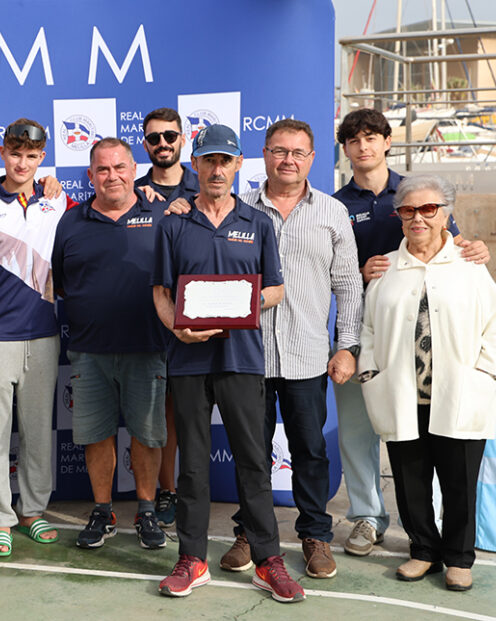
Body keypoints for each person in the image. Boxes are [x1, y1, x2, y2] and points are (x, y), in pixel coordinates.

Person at [152, 124, 304, 603]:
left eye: (225, 161)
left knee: (254, 462)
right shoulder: (173, 223)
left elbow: (276, 289)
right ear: (194, 164)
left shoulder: (257, 222)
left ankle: (268, 560)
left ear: (238, 164)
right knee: (193, 467)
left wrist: (240, 306)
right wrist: (177, 328)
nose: (217, 170)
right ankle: (192, 559)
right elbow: (161, 293)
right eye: (209, 160)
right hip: (188, 360)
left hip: (242, 360)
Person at [333, 108, 491, 556]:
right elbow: (322, 271)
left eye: (371, 137)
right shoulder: (334, 205)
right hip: (362, 331)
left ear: (387, 142)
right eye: (353, 140)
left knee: (419, 436)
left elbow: (453, 246)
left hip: (422, 336)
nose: (363, 146)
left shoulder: (418, 192)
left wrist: (475, 247)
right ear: (345, 150)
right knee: (357, 432)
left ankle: (422, 527)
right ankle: (367, 516)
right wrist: (357, 274)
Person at [220, 119, 362, 579]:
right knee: (251, 452)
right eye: (280, 151)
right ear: (264, 154)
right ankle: (250, 532)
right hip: (247, 355)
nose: (288, 160)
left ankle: (315, 535)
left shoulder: (332, 212)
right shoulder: (236, 208)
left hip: (307, 354)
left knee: (310, 451)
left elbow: (349, 285)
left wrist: (348, 345)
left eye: (298, 153)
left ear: (312, 159)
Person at [358, 173, 496, 591]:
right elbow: (368, 328)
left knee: (460, 482)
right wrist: (370, 374)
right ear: (398, 216)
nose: (418, 218)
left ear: (446, 215)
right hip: (403, 396)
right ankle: (423, 550)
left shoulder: (469, 265)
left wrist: (485, 374)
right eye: (408, 210)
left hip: (460, 394)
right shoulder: (386, 269)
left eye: (428, 209)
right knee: (410, 483)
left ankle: (459, 558)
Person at [51, 138, 168, 551]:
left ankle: (147, 510)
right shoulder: (71, 221)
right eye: (102, 169)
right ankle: (103, 511)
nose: (112, 176)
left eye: (120, 167)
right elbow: (61, 282)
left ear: (134, 170)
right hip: (89, 350)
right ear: (90, 175)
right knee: (96, 436)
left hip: (148, 347)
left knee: (147, 435)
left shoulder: (161, 214)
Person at [0, 118, 73, 557]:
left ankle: (32, 511)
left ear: (42, 157)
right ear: (2, 154)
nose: (22, 163)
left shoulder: (56, 200)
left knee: (37, 432)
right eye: (15, 154)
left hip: (45, 334)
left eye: (31, 156)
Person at [134, 107, 198, 526]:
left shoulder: (205, 186)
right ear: (145, 144)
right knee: (156, 415)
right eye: (154, 138)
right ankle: (166, 491)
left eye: (170, 136)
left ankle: (190, 491)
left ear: (182, 139)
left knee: (189, 413)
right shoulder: (131, 191)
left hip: (195, 317)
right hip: (144, 320)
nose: (163, 144)